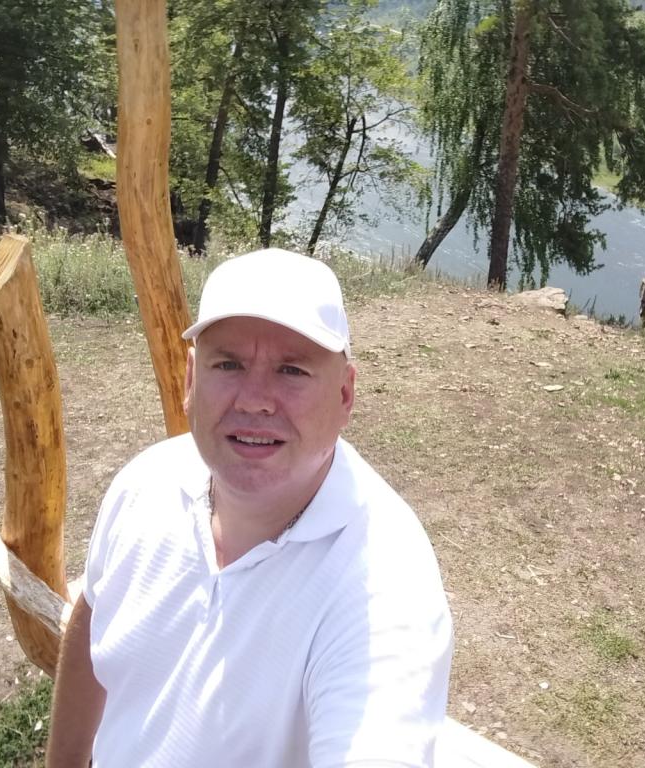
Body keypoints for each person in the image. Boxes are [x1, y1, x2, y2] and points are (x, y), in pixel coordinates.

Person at [46, 248, 453, 767]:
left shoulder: (384, 580)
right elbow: (94, 619)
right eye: (229, 364)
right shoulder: (145, 484)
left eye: (292, 370)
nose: (254, 399)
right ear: (190, 381)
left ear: (345, 395)